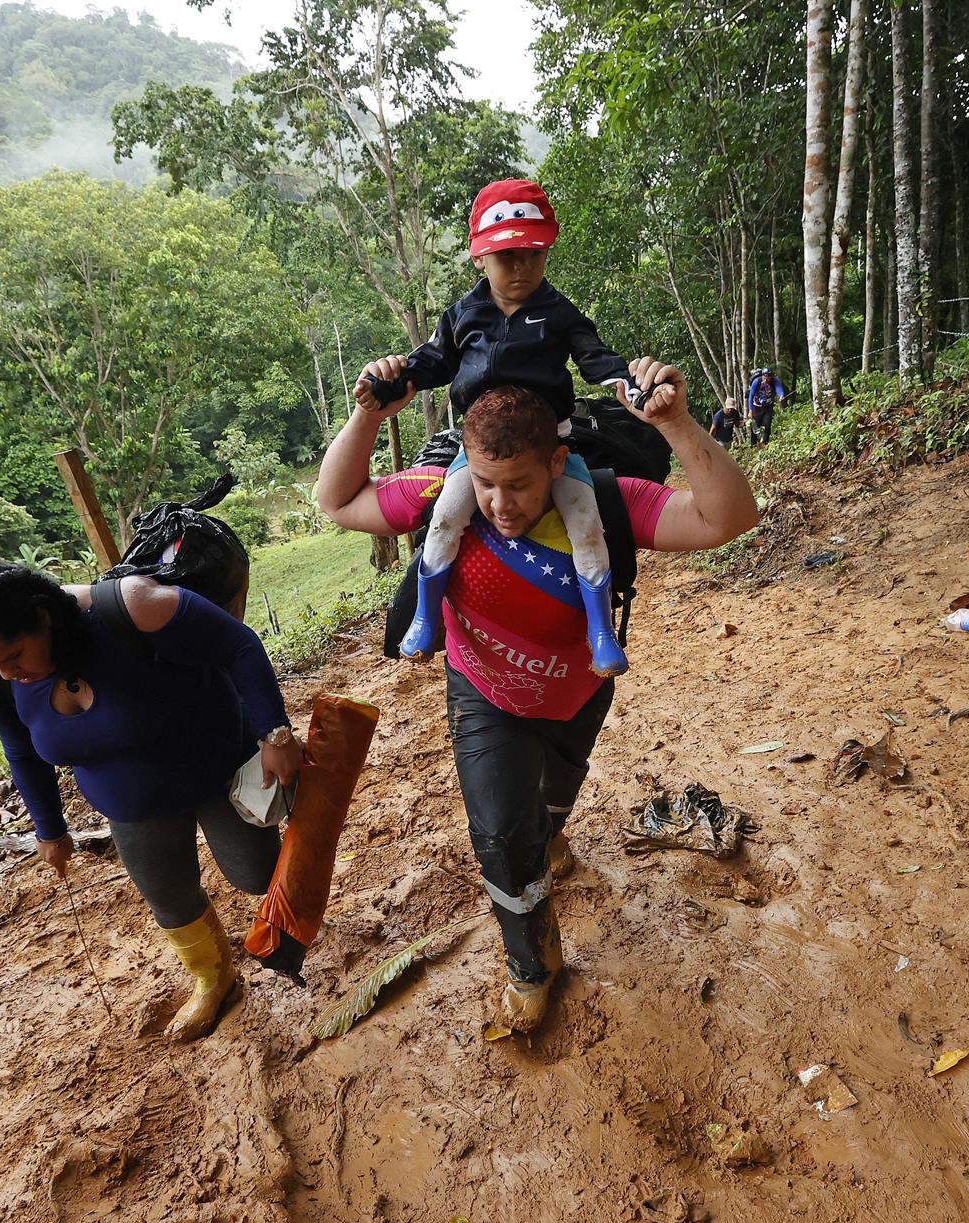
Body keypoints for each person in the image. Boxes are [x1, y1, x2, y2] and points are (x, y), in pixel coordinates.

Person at [317, 363, 758, 1033]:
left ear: (556, 462)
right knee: (498, 832)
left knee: (552, 803)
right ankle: (532, 963)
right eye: (486, 484)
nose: (499, 505)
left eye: (519, 484)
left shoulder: (606, 502)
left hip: (579, 694)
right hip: (482, 692)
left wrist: (673, 422)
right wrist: (370, 415)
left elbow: (729, 517)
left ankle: (551, 839)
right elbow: (338, 502)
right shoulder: (442, 494)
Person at [0, 561, 302, 1041]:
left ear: (43, 617)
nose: (9, 672)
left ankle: (297, 920)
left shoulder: (133, 608)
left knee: (257, 875)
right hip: (131, 804)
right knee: (170, 898)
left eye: (15, 656)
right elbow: (21, 751)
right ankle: (214, 977)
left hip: (218, 772)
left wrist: (273, 732)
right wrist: (49, 828)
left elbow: (238, 645)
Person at [354, 179, 642, 679]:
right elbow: (432, 363)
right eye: (505, 255)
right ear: (479, 258)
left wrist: (630, 382)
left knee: (586, 523)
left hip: (550, 447)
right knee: (445, 517)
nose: (520, 267)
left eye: (532, 253)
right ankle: (426, 617)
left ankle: (600, 630)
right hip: (481, 455)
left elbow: (596, 358)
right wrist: (388, 381)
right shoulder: (464, 315)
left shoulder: (557, 312)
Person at [745, 368, 787, 446]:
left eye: (768, 377)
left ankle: (765, 442)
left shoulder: (775, 380)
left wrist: (781, 395)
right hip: (756, 406)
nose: (766, 379)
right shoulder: (757, 381)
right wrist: (750, 410)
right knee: (755, 425)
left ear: (771, 376)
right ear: (762, 376)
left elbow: (779, 388)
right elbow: (751, 396)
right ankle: (753, 443)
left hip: (768, 406)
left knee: (767, 424)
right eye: (765, 377)